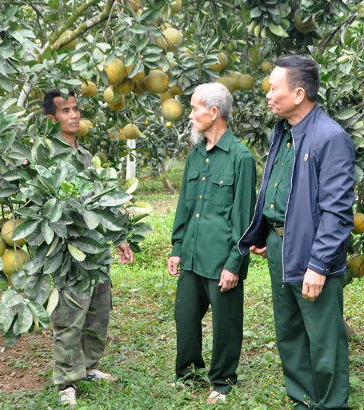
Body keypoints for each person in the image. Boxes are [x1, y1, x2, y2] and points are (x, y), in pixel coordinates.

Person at [239, 55, 355, 409]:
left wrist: (319, 265)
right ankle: (303, 400)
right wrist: (265, 233)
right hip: (279, 246)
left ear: (299, 93)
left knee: (323, 338)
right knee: (289, 332)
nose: (268, 95)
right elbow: (279, 188)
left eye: (275, 89)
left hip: (311, 252)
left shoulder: (330, 137)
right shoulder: (284, 132)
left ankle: (331, 404)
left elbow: (337, 211)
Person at [43, 89, 134, 406]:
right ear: (51, 119)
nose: (74, 115)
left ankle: (90, 366)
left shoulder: (85, 156)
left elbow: (100, 204)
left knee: (98, 313)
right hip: (67, 254)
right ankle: (66, 381)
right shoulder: (46, 156)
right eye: (65, 110)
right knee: (69, 317)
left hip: (95, 251)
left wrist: (119, 238)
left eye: (76, 109)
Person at [167, 82, 257, 404]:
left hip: (221, 259)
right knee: (186, 316)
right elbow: (185, 205)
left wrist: (235, 264)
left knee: (226, 325)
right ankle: (188, 371)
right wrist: (177, 248)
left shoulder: (240, 157)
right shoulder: (195, 153)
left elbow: (245, 217)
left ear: (214, 112)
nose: (189, 116)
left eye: (194, 109)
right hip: (192, 253)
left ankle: (222, 381)